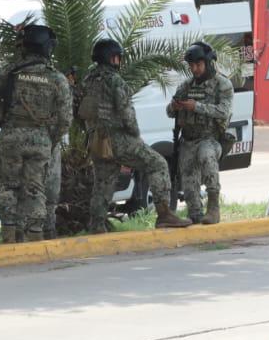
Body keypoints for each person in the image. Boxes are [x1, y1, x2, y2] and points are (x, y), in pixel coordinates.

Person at [82, 40, 192, 231]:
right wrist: (135, 137)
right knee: (157, 164)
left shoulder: (88, 81)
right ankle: (165, 214)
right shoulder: (115, 81)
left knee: (103, 182)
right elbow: (127, 115)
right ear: (113, 58)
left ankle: (97, 224)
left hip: (97, 141)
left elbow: (79, 109)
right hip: (119, 140)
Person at [0, 24, 70, 243]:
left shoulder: (5, 73)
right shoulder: (57, 79)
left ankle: (9, 235)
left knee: (8, 186)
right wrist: (50, 140)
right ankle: (35, 237)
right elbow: (65, 120)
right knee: (35, 187)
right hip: (40, 140)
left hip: (10, 137)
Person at [167, 42, 233, 225]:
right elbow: (169, 111)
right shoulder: (186, 86)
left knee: (207, 157)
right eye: (192, 66)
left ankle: (213, 208)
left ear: (208, 63)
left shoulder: (223, 84)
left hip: (209, 138)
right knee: (188, 181)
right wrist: (174, 106)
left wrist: (197, 106)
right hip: (187, 139)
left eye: (198, 65)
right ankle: (195, 213)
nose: (194, 69)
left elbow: (223, 111)